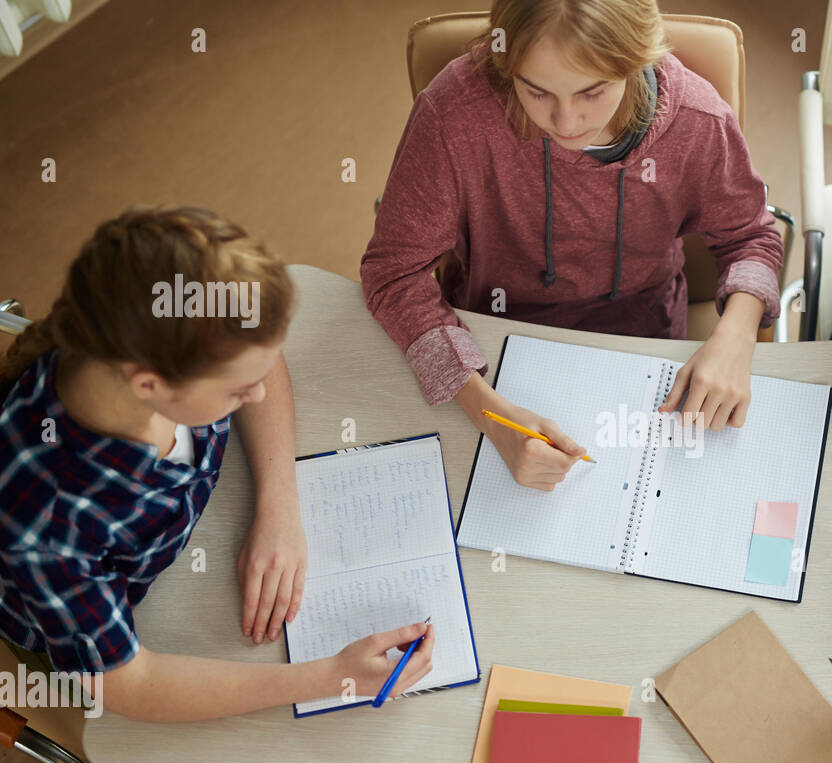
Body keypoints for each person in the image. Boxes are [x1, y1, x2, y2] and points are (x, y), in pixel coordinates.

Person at [0, 206, 432, 721]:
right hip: (98, 635)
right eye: (236, 389)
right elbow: (132, 686)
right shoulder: (49, 531)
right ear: (150, 386)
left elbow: (260, 360)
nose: (258, 391)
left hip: (195, 545)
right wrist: (332, 676)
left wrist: (279, 502)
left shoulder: (185, 343)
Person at [361, 0, 784, 491]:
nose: (565, 123)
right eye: (535, 91)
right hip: (488, 344)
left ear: (637, 57)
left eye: (593, 91)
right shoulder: (454, 115)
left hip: (642, 339)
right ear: (506, 65)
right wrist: (493, 417)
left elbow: (751, 236)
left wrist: (737, 335)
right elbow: (393, 273)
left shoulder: (698, 119)